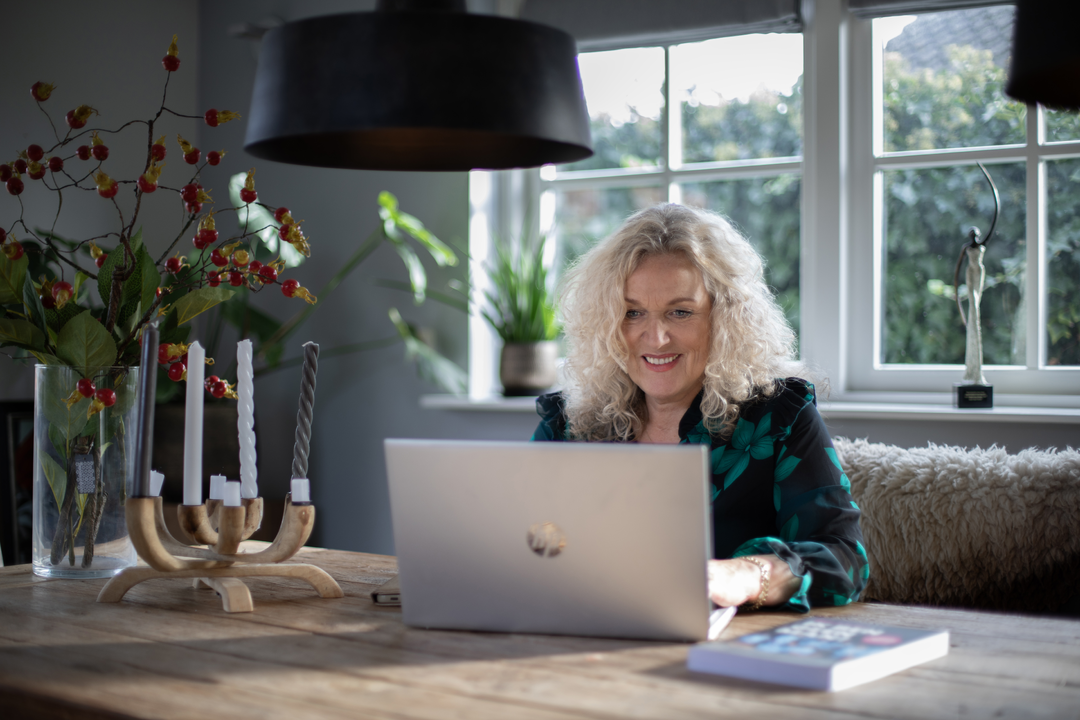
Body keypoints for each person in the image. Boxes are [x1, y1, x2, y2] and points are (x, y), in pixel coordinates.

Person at [532, 203, 869, 611]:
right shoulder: (566, 423)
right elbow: (521, 542)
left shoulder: (779, 417)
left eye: (680, 312)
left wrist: (745, 575)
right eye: (632, 312)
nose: (655, 338)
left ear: (725, 318)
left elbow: (844, 559)